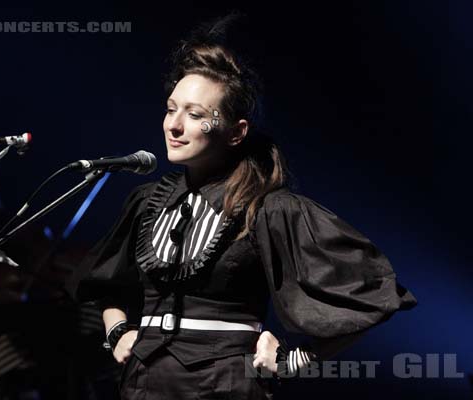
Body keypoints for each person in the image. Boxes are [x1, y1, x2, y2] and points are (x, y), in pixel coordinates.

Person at [69, 14, 417, 399]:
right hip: (143, 382)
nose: (174, 125)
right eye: (171, 109)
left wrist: (295, 358)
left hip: (224, 383)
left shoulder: (269, 209)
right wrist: (117, 331)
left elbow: (373, 293)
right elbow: (102, 284)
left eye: (196, 114)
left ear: (236, 132)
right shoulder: (147, 202)